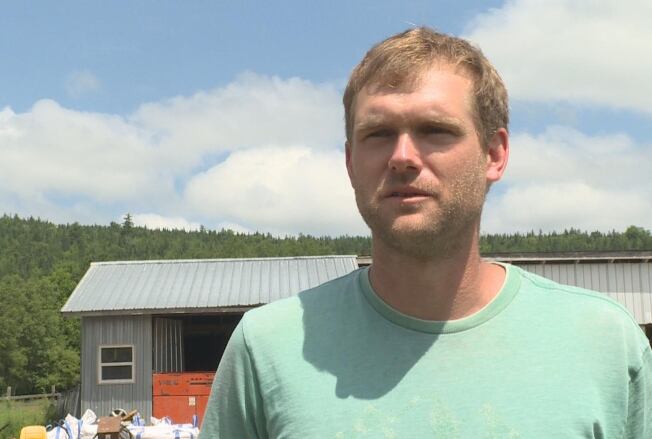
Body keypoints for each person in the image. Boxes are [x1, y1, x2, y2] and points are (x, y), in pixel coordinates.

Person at [201, 27, 651, 437]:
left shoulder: (605, 342)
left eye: (434, 130)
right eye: (377, 134)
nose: (402, 157)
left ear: (494, 154)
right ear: (350, 162)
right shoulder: (266, 348)